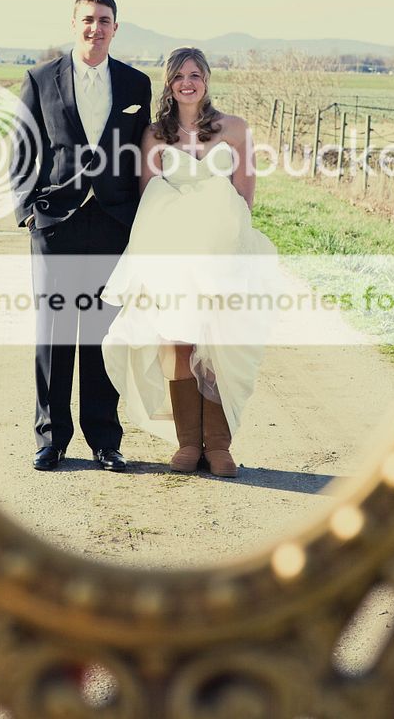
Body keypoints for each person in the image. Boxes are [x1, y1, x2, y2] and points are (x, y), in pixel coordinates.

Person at [101, 47, 277, 478]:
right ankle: (188, 444)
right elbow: (149, 197)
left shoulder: (235, 129)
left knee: (218, 343)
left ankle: (218, 445)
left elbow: (244, 197)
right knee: (178, 341)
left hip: (221, 253)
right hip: (172, 257)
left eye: (195, 74)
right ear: (169, 83)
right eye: (179, 76)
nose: (187, 83)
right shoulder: (154, 135)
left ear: (207, 80)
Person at [9, 0, 152, 472]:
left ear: (116, 28)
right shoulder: (40, 78)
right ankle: (51, 438)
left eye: (105, 20)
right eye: (88, 19)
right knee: (53, 334)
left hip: (112, 223)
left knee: (102, 334)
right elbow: (22, 147)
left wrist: (141, 216)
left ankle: (105, 440)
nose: (96, 28)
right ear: (74, 24)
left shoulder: (136, 84)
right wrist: (28, 209)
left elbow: (143, 153)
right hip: (55, 223)